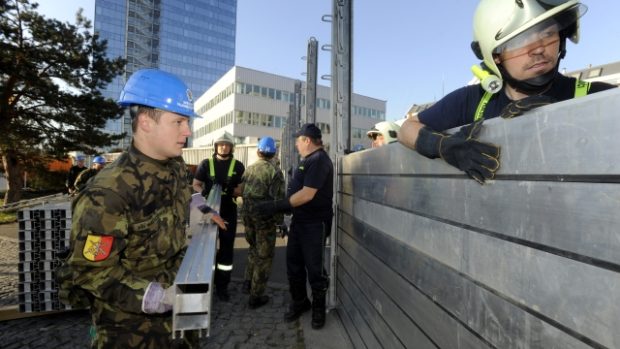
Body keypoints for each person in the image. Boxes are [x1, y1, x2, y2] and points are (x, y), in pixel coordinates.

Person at [398, 0, 616, 184]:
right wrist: (443, 146)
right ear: (496, 56)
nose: (539, 48)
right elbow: (406, 128)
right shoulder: (473, 100)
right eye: (521, 40)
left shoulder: (598, 98)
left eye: (548, 33)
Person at [57, 68, 200, 348]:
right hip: (129, 330)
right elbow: (92, 271)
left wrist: (199, 206)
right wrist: (152, 297)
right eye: (180, 121)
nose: (188, 131)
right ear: (146, 122)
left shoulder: (175, 167)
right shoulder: (109, 192)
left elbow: (186, 197)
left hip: (179, 319)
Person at [255, 123, 333, 330]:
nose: (296, 145)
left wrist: (276, 206)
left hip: (314, 225)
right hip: (300, 222)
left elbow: (307, 194)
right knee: (294, 267)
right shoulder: (308, 160)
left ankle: (318, 309)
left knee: (315, 270)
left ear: (307, 140)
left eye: (298, 140)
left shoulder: (319, 160)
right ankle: (300, 302)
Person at [192, 131, 244, 302]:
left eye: (226, 144)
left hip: (228, 211)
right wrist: (203, 193)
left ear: (231, 147)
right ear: (215, 146)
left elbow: (241, 189)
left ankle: (222, 286)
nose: (223, 147)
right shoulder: (206, 164)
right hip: (208, 212)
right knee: (205, 248)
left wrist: (232, 190)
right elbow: (196, 184)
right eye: (220, 144)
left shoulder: (238, 166)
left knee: (226, 251)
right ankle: (204, 282)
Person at [238, 136, 285, 309]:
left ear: (258, 151)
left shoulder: (249, 169)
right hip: (265, 219)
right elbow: (279, 200)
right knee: (264, 257)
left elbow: (242, 192)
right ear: (273, 153)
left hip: (248, 216)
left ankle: (247, 282)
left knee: (253, 249)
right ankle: (256, 296)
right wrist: (280, 223)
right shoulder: (275, 172)